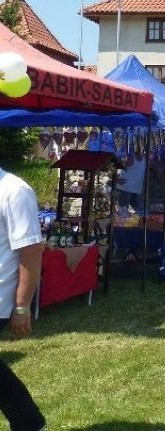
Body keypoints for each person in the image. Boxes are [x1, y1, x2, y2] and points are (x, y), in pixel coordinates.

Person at [0, 165, 47, 431]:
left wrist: (21, 307)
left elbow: (31, 251)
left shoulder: (14, 190)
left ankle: (29, 422)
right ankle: (29, 422)